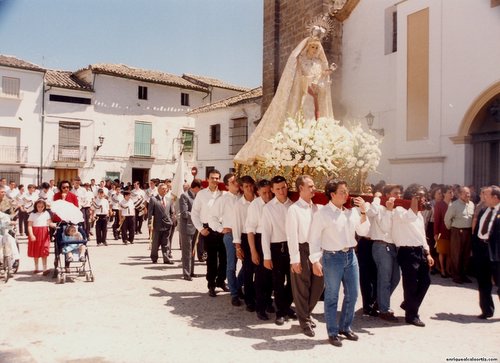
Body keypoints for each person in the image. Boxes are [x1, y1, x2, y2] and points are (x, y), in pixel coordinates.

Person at [309, 179, 369, 347]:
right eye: (342, 192)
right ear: (332, 194)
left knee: (353, 294)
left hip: (351, 256)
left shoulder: (351, 212)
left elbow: (363, 231)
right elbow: (314, 238)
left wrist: (363, 212)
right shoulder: (322, 214)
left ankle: (345, 327)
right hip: (332, 257)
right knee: (332, 296)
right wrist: (315, 260)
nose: (346, 194)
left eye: (346, 191)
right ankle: (333, 332)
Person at [286, 175, 323, 337]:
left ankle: (306, 313)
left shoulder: (318, 208)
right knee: (302, 287)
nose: (314, 189)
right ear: (300, 188)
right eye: (310, 186)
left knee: (318, 285)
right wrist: (295, 260)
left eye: (314, 186)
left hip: (317, 250)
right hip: (301, 250)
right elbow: (291, 236)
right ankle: (304, 320)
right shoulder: (294, 209)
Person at [393, 184, 434, 327]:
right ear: (413, 197)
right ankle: (412, 315)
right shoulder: (399, 210)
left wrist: (428, 252)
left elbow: (422, 235)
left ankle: (409, 304)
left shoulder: (420, 215)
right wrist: (415, 202)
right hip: (406, 251)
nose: (424, 199)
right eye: (420, 196)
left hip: (420, 250)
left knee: (426, 281)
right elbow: (409, 217)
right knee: (410, 284)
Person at [261, 175, 295, 326]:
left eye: (283, 187)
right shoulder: (268, 208)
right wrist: (266, 256)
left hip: (293, 247)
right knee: (278, 282)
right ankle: (280, 312)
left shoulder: (293, 206)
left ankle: (286, 306)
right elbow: (266, 233)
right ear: (273, 191)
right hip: (277, 248)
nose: (281, 191)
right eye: (277, 189)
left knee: (294, 281)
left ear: (287, 187)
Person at [368, 184, 402, 322]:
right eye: (395, 193)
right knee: (385, 278)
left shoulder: (395, 210)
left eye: (400, 193)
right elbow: (385, 228)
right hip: (381, 246)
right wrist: (387, 210)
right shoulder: (381, 209)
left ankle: (380, 301)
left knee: (395, 278)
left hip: (393, 247)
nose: (398, 196)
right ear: (387, 194)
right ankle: (384, 309)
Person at [191, 169, 227, 297]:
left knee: (224, 258)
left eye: (217, 178)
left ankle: (221, 281)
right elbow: (194, 213)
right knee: (212, 259)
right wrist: (201, 229)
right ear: (208, 179)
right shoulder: (201, 194)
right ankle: (211, 284)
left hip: (222, 229)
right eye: (212, 178)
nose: (215, 180)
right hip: (208, 230)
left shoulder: (224, 194)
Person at [209, 173, 242, 306]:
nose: (236, 184)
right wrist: (221, 229)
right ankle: (234, 294)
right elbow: (212, 218)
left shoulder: (244, 197)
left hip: (245, 235)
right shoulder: (223, 200)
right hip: (230, 235)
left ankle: (238, 286)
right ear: (227, 185)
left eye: (237, 181)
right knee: (231, 265)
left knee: (248, 265)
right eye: (233, 182)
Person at [246, 179, 275, 320]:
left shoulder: (276, 202)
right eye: (264, 193)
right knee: (261, 277)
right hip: (260, 239)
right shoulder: (254, 206)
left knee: (272, 275)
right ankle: (260, 307)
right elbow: (250, 230)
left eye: (270, 192)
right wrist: (253, 251)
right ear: (258, 192)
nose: (268, 195)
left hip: (274, 239)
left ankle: (269, 301)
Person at [472, 185, 499, 319]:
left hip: (496, 252)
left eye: (486, 195)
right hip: (481, 250)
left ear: (495, 197)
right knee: (483, 281)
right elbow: (477, 230)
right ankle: (487, 310)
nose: (483, 198)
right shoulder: (483, 210)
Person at [233, 175, 256, 311]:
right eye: (246, 186)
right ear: (241, 188)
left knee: (259, 270)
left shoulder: (259, 201)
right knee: (247, 269)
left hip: (258, 236)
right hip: (245, 237)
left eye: (251, 185)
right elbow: (236, 225)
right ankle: (248, 299)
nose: (249, 189)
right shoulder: (238, 205)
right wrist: (238, 246)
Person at [444, 186, 475, 284]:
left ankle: (463, 275)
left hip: (468, 232)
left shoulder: (472, 204)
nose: (468, 195)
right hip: (457, 231)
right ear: (460, 194)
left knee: (466, 254)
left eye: (469, 193)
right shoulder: (454, 205)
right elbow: (447, 219)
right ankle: (456, 276)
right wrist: (452, 229)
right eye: (465, 193)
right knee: (456, 254)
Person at [178, 179, 201, 280]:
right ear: (196, 187)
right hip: (187, 227)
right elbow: (184, 213)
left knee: (193, 251)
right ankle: (186, 273)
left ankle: (191, 271)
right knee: (186, 252)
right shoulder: (184, 196)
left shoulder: (197, 196)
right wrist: (197, 216)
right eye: (200, 189)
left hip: (196, 227)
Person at [148, 183, 175, 264]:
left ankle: (166, 258)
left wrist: (171, 221)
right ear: (158, 189)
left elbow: (171, 212)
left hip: (167, 225)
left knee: (166, 243)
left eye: (166, 189)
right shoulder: (153, 199)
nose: (164, 190)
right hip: (157, 225)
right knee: (155, 243)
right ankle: (154, 257)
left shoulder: (169, 199)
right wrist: (150, 223)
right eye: (163, 189)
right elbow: (150, 213)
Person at [27, 199, 53, 275]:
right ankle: (36, 268)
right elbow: (29, 225)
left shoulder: (46, 213)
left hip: (44, 233)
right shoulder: (32, 214)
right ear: (36, 206)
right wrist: (31, 234)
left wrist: (53, 225)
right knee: (36, 250)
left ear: (44, 207)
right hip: (35, 233)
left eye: (42, 206)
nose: (40, 208)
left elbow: (49, 222)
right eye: (38, 206)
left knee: (44, 250)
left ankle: (45, 268)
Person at [433, 185, 454, 277]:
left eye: (452, 192)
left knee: (450, 252)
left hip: (452, 232)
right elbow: (436, 219)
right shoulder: (439, 204)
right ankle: (442, 270)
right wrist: (436, 233)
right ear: (444, 193)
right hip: (442, 231)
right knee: (442, 251)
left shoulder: (454, 204)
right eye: (449, 192)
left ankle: (448, 269)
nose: (451, 194)